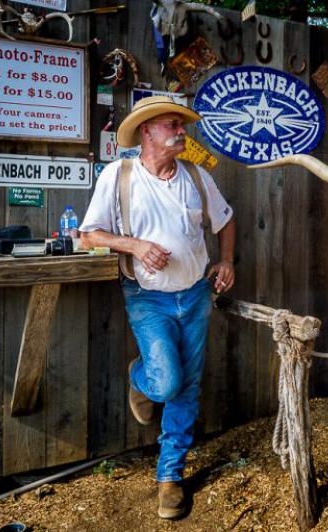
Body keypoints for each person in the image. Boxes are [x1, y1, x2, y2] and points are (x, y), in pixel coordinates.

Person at [79, 96, 236, 520]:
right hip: (148, 298)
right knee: (166, 382)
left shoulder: (197, 177)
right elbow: (88, 235)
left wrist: (225, 261)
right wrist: (135, 245)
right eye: (173, 125)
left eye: (182, 126)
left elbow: (225, 221)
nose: (182, 132)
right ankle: (140, 376)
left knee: (187, 387)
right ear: (147, 130)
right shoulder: (119, 176)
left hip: (197, 295)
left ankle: (170, 477)